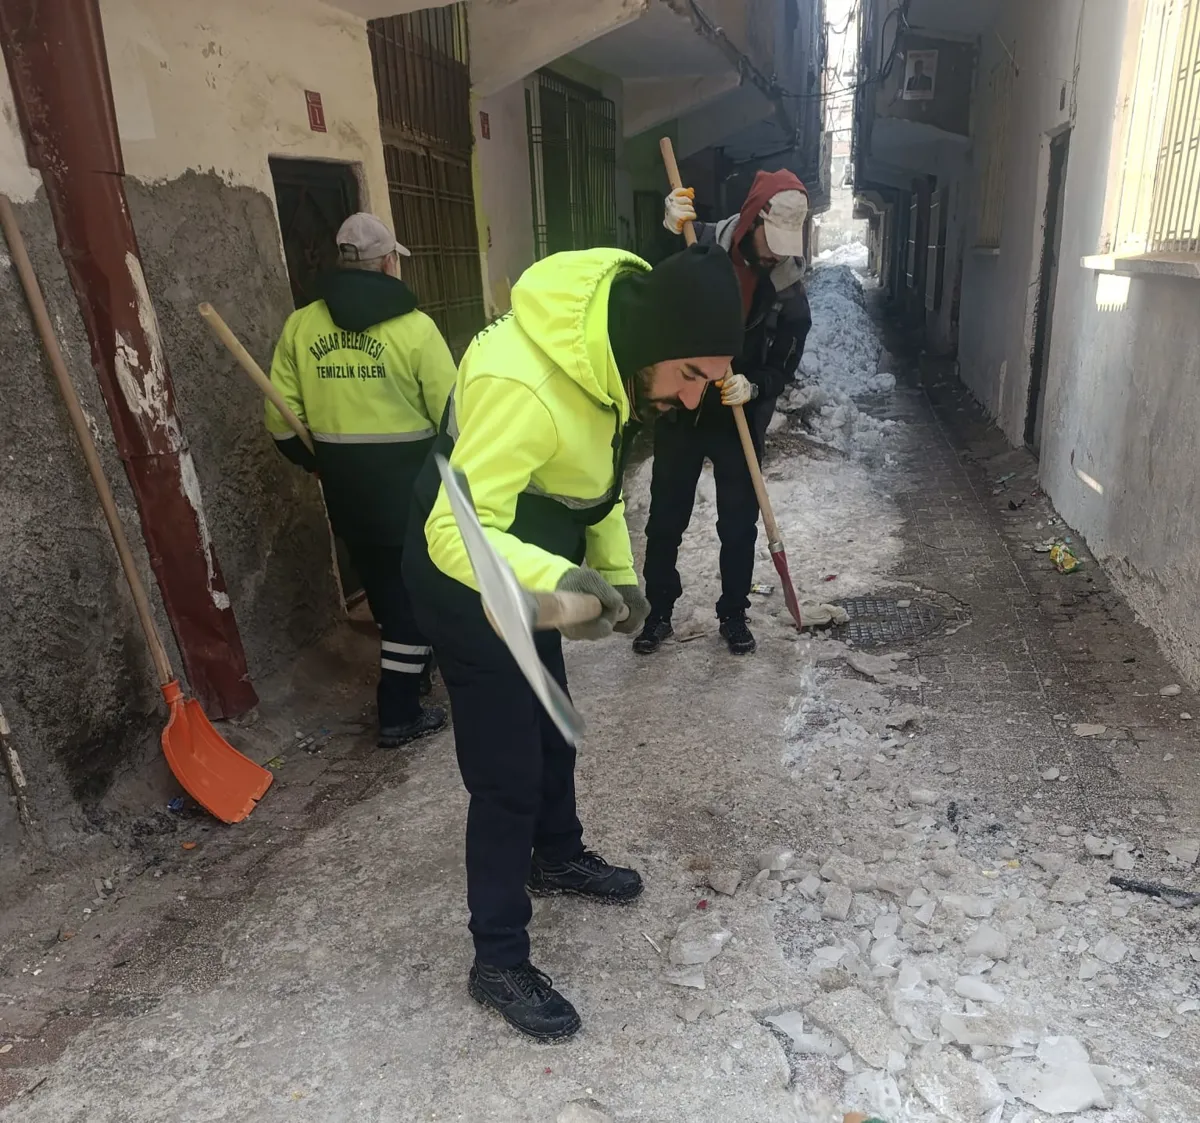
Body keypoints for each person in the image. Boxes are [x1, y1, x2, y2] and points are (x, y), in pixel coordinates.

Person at [403, 244, 744, 1040]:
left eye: (710, 379)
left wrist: (616, 577)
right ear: (658, 344)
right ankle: (497, 957)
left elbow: (596, 492)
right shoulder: (522, 382)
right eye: (691, 375)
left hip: (530, 559)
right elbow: (456, 530)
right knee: (507, 772)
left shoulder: (612, 363)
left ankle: (555, 853)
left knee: (553, 724)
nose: (694, 397)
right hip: (466, 574)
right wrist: (561, 580)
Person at [266, 212, 453, 748]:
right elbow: (452, 414)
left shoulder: (302, 326)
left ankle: (413, 674)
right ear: (389, 262)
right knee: (413, 602)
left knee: (386, 592)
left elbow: (280, 421)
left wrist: (316, 462)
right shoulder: (414, 329)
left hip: (347, 490)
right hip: (411, 488)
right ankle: (398, 712)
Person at [633, 171, 814, 658]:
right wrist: (664, 235)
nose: (775, 255)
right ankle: (659, 611)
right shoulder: (699, 242)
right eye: (770, 241)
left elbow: (787, 358)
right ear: (752, 219)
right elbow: (647, 286)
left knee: (738, 524)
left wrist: (756, 385)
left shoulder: (786, 283)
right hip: (684, 406)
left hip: (739, 414)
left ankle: (734, 612)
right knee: (666, 518)